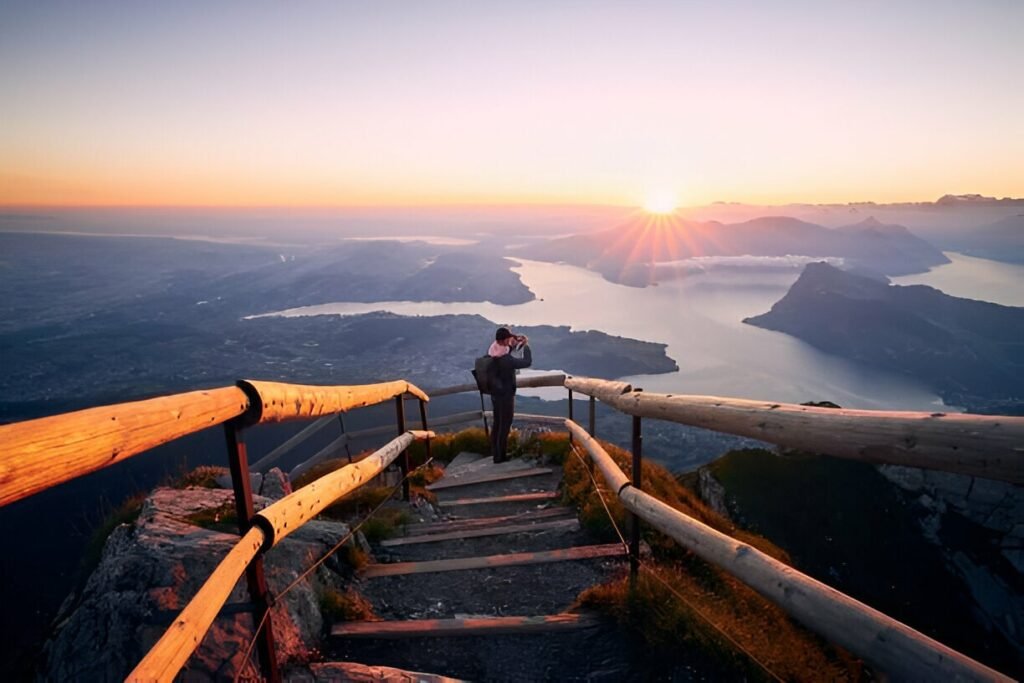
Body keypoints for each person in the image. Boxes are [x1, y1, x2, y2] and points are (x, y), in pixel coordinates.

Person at [487, 326, 532, 463]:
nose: (510, 340)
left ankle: (496, 454)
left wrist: (515, 341)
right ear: (504, 340)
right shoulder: (506, 360)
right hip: (506, 395)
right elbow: (526, 362)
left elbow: (506, 350)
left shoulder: (492, 351)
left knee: (497, 424)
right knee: (505, 425)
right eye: (508, 338)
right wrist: (526, 347)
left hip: (495, 394)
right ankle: (501, 457)